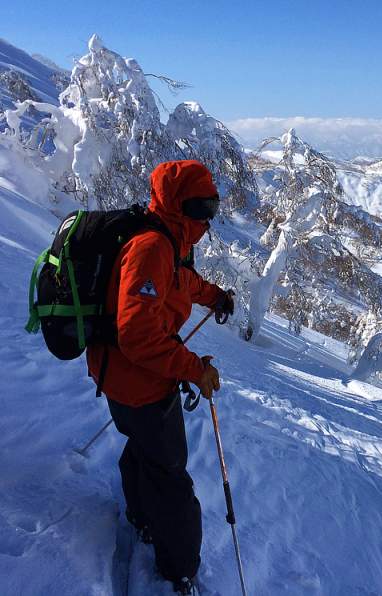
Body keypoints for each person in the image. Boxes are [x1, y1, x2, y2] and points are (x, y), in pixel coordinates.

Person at [87, 160, 235, 594]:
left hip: (124, 380)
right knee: (171, 478)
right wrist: (195, 369)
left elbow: (181, 284)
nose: (208, 219)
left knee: (144, 448)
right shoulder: (153, 247)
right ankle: (180, 569)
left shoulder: (165, 242)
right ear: (180, 206)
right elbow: (136, 334)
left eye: (213, 206)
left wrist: (216, 296)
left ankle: (138, 515)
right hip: (140, 385)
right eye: (202, 207)